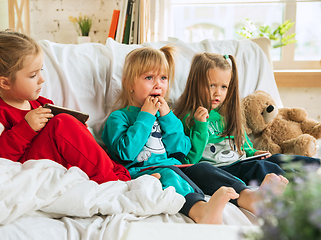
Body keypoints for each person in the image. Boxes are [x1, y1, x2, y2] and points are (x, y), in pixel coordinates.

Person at [102, 46, 288, 224]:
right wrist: (146, 116)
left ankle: (250, 198)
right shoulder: (119, 117)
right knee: (170, 174)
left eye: (163, 78)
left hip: (176, 166)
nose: (158, 84)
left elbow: (181, 150)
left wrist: (167, 117)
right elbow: (126, 153)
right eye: (149, 77)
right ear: (129, 84)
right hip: (143, 172)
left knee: (203, 168)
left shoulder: (166, 114)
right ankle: (201, 211)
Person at [0, 30, 131, 184]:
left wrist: (77, 130)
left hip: (58, 163)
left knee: (69, 125)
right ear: (5, 82)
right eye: (32, 75)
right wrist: (26, 128)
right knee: (62, 124)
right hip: (23, 168)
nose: (41, 79)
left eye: (41, 71)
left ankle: (115, 172)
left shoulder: (41, 103)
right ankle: (111, 181)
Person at [173, 52, 318, 185]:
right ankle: (299, 185)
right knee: (259, 167)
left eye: (224, 87)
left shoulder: (226, 112)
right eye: (212, 85)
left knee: (276, 158)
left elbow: (242, 141)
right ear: (194, 82)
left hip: (242, 160)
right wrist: (200, 127)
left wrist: (253, 152)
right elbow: (191, 160)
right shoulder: (187, 117)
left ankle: (316, 168)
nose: (218, 93)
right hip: (222, 169)